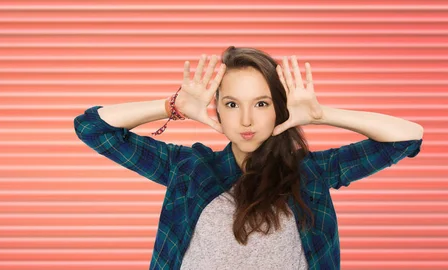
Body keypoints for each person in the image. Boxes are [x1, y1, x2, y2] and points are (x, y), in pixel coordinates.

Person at [73, 46, 423, 270]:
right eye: (231, 104)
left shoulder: (311, 173)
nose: (245, 121)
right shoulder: (189, 168)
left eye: (261, 103)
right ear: (217, 112)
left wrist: (319, 114)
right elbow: (92, 128)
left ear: (278, 109)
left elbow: (406, 137)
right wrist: (173, 107)